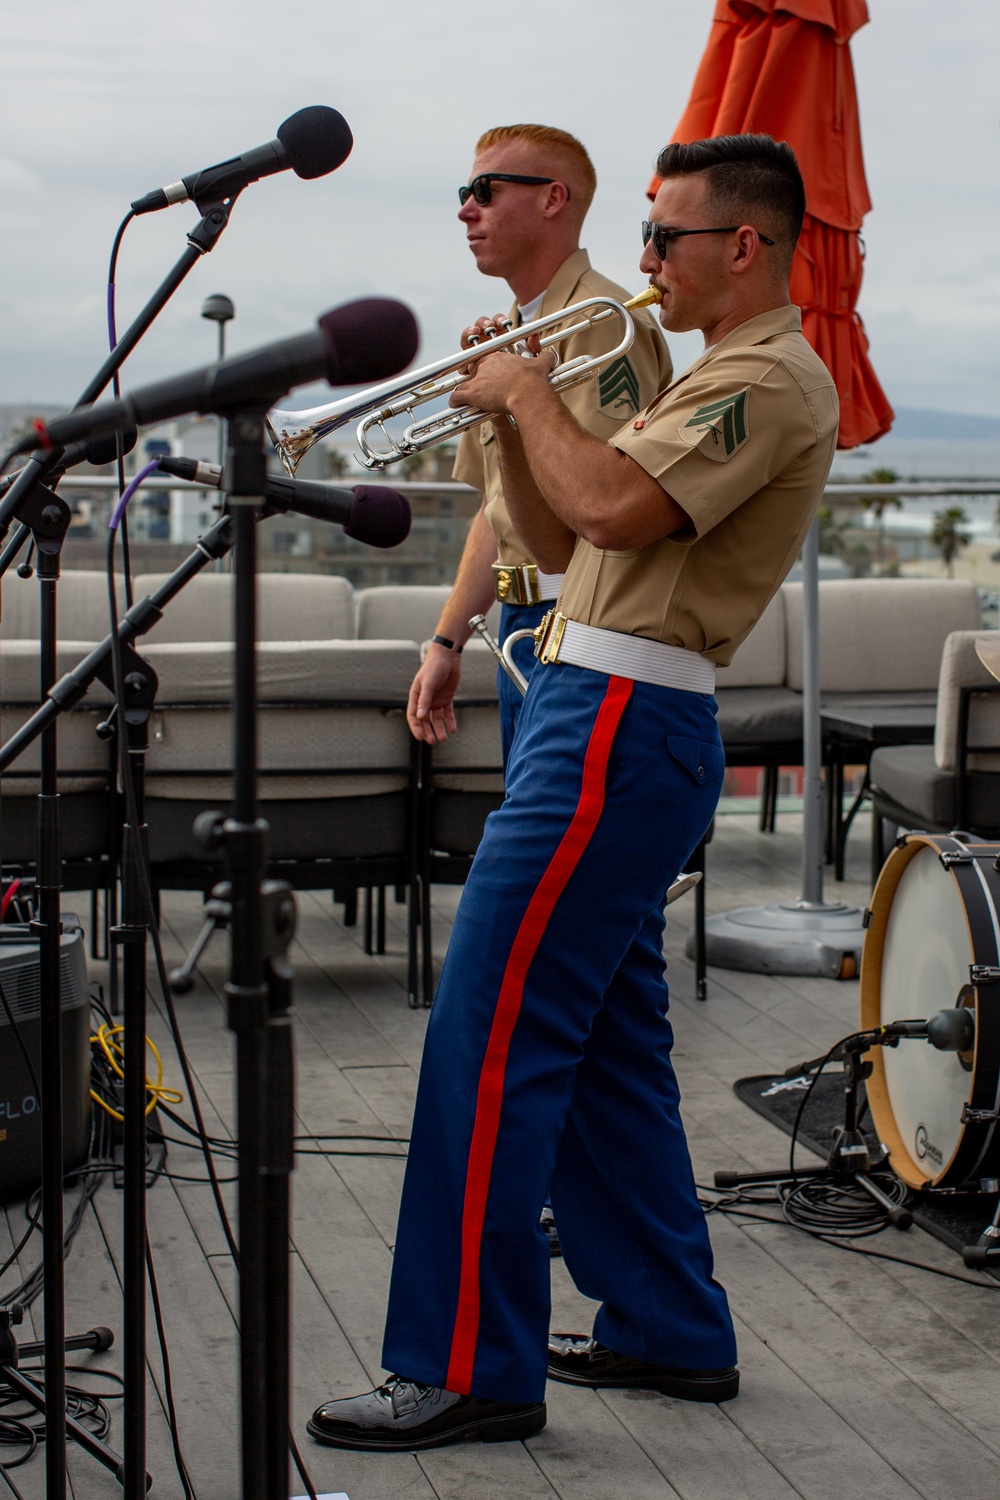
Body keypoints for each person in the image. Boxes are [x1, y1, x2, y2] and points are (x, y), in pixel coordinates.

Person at [308, 133, 839, 1453]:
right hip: (592, 702)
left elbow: (605, 506)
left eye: (666, 238)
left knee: (486, 1039)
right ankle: (668, 1325)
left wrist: (534, 396)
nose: (647, 259)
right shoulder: (714, 369)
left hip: (620, 718)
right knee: (600, 1048)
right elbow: (550, 535)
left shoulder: (765, 379)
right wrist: (503, 415)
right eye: (647, 237)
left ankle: (463, 1363)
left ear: (746, 248)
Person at [406, 123, 672, 765]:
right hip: (522, 625)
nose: (466, 208)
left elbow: (600, 509)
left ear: (554, 199)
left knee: (571, 852)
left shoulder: (604, 324)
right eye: (467, 191)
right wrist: (446, 641)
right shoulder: (515, 334)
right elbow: (497, 510)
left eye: (486, 190)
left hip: (585, 630)